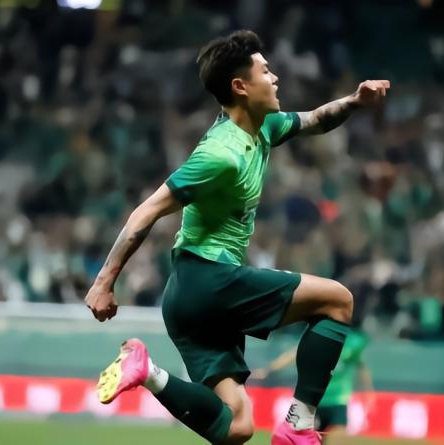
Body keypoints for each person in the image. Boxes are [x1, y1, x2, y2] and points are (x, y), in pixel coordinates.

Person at [84, 30, 389, 445]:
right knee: (338, 301)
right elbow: (148, 210)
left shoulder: (264, 128)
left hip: (189, 298)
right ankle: (299, 424)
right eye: (266, 71)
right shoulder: (219, 154)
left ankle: (147, 371)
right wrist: (105, 282)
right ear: (241, 86)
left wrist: (354, 101)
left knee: (237, 427)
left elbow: (317, 120)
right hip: (208, 280)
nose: (275, 78)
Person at [252, 326, 374, 444]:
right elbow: (293, 355)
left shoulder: (354, 341)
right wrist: (268, 370)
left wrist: (368, 392)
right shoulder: (322, 334)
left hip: (338, 401)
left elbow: (361, 367)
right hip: (313, 402)